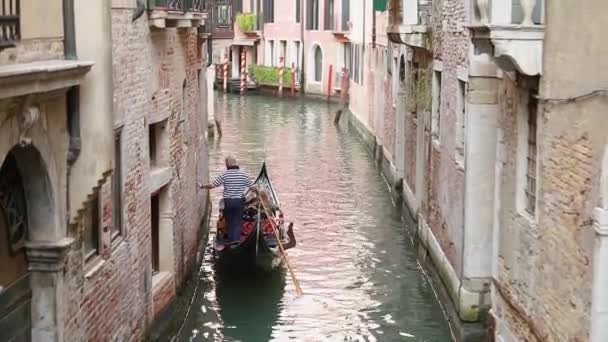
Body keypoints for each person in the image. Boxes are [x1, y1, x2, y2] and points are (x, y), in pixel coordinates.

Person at [200, 155, 255, 243]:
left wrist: (202, 186)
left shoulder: (224, 175)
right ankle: (235, 241)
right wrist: (259, 193)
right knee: (237, 222)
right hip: (239, 201)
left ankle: (230, 242)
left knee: (229, 222)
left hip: (228, 202)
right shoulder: (243, 175)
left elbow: (212, 185)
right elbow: (253, 188)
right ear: (236, 163)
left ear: (227, 165)